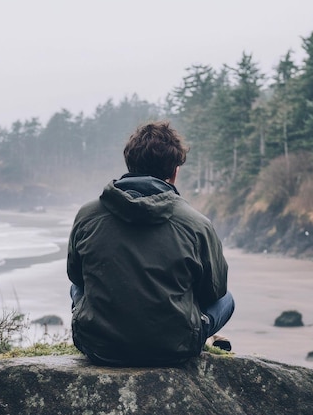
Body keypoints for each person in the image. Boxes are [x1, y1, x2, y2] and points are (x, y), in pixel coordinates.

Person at [67, 120, 234, 366]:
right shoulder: (196, 224)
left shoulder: (88, 214)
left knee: (77, 288)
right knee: (227, 299)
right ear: (174, 172)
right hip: (174, 347)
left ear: (129, 164)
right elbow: (214, 290)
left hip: (99, 346)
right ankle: (202, 336)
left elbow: (76, 275)